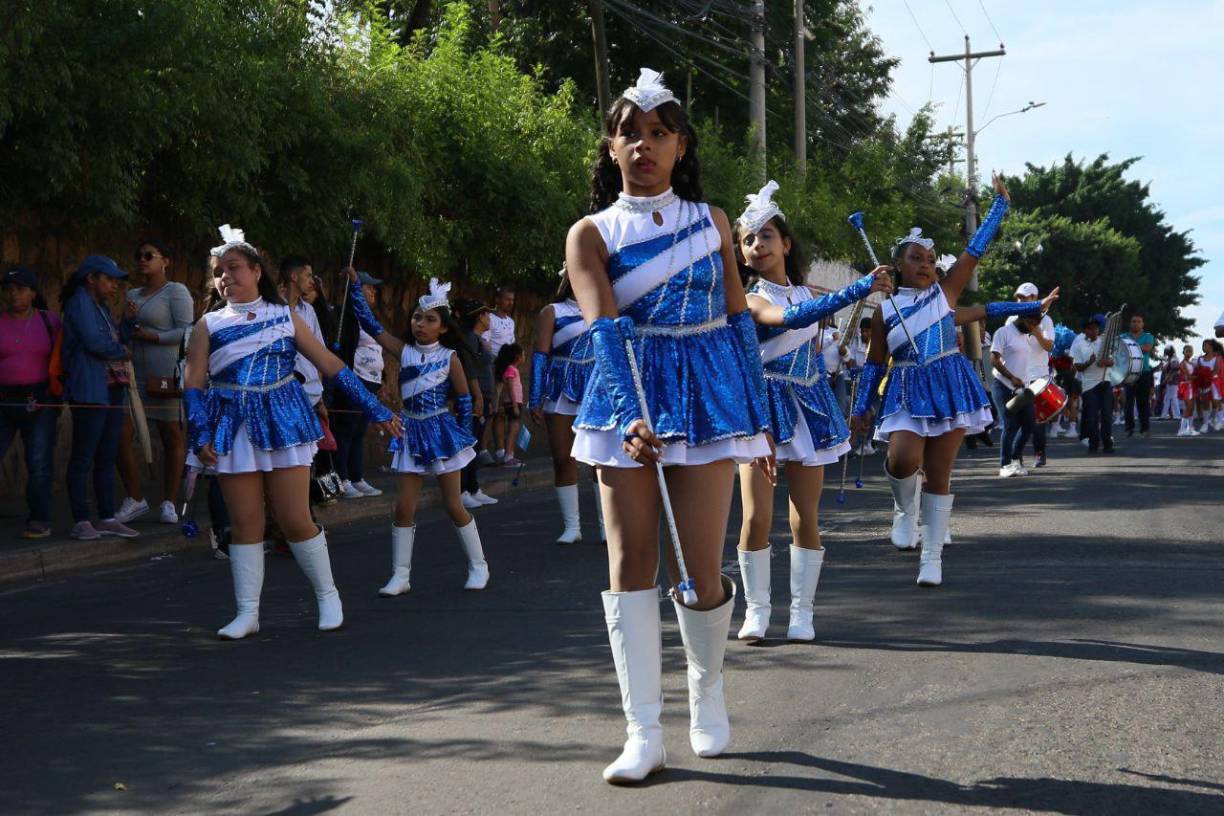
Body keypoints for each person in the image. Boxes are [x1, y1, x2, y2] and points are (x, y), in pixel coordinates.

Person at [566, 68, 773, 783]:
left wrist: (761, 422)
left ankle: (707, 691)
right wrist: (628, 413)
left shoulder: (714, 222)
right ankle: (642, 731)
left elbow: (740, 320)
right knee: (630, 567)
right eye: (631, 134)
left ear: (681, 145)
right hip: (629, 393)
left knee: (701, 566)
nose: (644, 146)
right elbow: (602, 329)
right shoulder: (590, 233)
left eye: (658, 134)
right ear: (612, 147)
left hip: (709, 394)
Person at [184, 228, 399, 639]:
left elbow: (332, 365)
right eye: (217, 272)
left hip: (283, 419)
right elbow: (193, 385)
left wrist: (375, 407)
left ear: (256, 270)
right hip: (234, 424)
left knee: (295, 518)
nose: (225, 277)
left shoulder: (285, 316)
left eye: (233, 268)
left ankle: (328, 596)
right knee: (245, 523)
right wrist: (199, 433)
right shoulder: (207, 325)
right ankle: (248, 613)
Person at [731, 180, 892, 642]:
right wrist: (860, 287)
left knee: (806, 516)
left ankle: (802, 612)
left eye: (765, 236)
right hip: (763, 409)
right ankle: (757, 610)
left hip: (811, 406)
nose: (757, 245)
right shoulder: (749, 299)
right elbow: (789, 320)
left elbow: (810, 315)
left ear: (785, 242)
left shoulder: (808, 294)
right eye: (748, 239)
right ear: (740, 253)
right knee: (755, 516)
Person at [851, 174, 1020, 586]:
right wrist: (862, 406)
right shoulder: (884, 310)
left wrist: (999, 206)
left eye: (929, 258)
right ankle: (903, 509)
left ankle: (931, 557)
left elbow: (973, 251)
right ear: (897, 266)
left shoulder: (944, 296)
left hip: (948, 384)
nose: (926, 264)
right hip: (907, 389)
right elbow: (875, 363)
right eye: (916, 258)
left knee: (940, 474)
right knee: (903, 459)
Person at [342, 275, 490, 596]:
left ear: (444, 328)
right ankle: (401, 575)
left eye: (430, 319)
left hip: (441, 434)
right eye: (417, 317)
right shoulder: (403, 350)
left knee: (453, 503)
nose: (420, 323)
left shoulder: (449, 358)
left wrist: (463, 438)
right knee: (403, 507)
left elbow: (464, 400)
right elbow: (371, 324)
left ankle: (479, 566)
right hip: (410, 432)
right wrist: (355, 288)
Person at [114, 240, 194, 525]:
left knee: (170, 433)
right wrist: (128, 320)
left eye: (149, 255)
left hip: (164, 373)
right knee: (120, 434)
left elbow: (187, 331)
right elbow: (125, 332)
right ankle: (135, 497)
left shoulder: (175, 291)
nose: (142, 260)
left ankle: (169, 502)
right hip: (135, 374)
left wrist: (155, 337)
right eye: (139, 255)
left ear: (165, 261)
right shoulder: (133, 294)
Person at [62, 255, 139, 540]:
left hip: (108, 388)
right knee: (84, 456)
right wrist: (122, 351)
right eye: (108, 279)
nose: (114, 286)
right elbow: (96, 343)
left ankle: (106, 516)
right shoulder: (79, 302)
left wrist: (128, 326)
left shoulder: (101, 307)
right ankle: (81, 519)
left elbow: (115, 338)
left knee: (106, 455)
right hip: (89, 389)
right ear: (90, 278)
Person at [529, 272, 600, 545]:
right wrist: (535, 397)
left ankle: (607, 525)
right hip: (560, 390)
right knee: (562, 457)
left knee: (599, 460)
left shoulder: (603, 306)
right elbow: (540, 354)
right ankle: (573, 526)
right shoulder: (553, 311)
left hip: (595, 388)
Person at [0, 266, 61, 538]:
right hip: (3, 401)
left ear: (33, 293)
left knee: (38, 462)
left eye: (20, 289)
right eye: (9, 289)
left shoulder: (50, 321)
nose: (13, 294)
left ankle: (39, 517)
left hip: (40, 401)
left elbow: (65, 357)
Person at [332, 270, 387, 498]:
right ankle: (342, 478)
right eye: (368, 286)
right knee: (345, 430)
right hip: (353, 381)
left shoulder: (369, 318)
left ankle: (356, 476)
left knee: (359, 431)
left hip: (371, 383)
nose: (373, 291)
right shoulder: (345, 316)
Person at [454, 298, 498, 507]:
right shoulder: (469, 339)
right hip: (475, 397)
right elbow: (469, 371)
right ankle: (462, 489)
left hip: (485, 396)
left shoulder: (478, 339)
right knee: (468, 444)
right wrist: (478, 396)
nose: (490, 318)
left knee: (476, 444)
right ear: (479, 316)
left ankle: (473, 487)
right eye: (487, 314)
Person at [1010, 283, 1055, 467]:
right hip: (1018, 376)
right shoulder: (1011, 318)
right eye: (1019, 297)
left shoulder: (1046, 321)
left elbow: (1049, 346)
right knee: (1017, 420)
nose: (1021, 301)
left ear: (1034, 299)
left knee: (1036, 419)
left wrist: (1035, 331)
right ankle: (1016, 456)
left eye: (1025, 298)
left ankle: (1039, 452)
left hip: (1038, 375)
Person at [1070, 314, 1115, 453]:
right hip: (1089, 384)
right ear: (1084, 330)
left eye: (1095, 328)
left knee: (1107, 414)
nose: (1093, 331)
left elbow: (1112, 361)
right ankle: (1093, 443)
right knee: (1092, 416)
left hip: (1105, 381)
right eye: (1090, 329)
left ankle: (1107, 444)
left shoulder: (1104, 342)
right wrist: (1090, 362)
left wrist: (1104, 362)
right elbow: (1077, 367)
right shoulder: (1079, 344)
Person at [482, 286, 516, 462]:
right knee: (491, 410)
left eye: (512, 299)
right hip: (494, 369)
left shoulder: (511, 322)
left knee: (503, 411)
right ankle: (483, 449)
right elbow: (486, 344)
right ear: (498, 300)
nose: (509, 302)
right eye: (506, 299)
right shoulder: (490, 319)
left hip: (507, 372)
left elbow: (512, 346)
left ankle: (500, 449)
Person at [1123, 314, 1156, 438]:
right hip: (1127, 373)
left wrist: (1129, 347)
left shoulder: (1148, 336)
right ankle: (1129, 428)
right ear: (1130, 323)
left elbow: (1147, 348)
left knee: (1143, 402)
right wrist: (1136, 347)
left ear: (1143, 324)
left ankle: (1145, 428)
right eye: (1133, 321)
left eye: (1138, 321)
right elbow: (1118, 350)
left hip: (1144, 373)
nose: (1136, 323)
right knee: (1128, 402)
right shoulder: (1124, 336)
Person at [494, 343, 524, 467]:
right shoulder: (511, 369)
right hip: (513, 403)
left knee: (514, 428)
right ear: (518, 357)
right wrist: (514, 405)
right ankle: (508, 456)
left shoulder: (512, 369)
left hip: (514, 402)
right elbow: (510, 388)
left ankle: (509, 455)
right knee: (513, 429)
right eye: (523, 354)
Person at [1158, 346, 1179, 420]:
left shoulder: (1174, 359)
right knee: (1167, 398)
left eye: (1166, 351)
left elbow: (1174, 369)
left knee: (1173, 397)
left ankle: (1176, 415)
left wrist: (1168, 378)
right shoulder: (1169, 359)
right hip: (1169, 381)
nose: (1165, 352)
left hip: (1173, 381)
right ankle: (1164, 415)